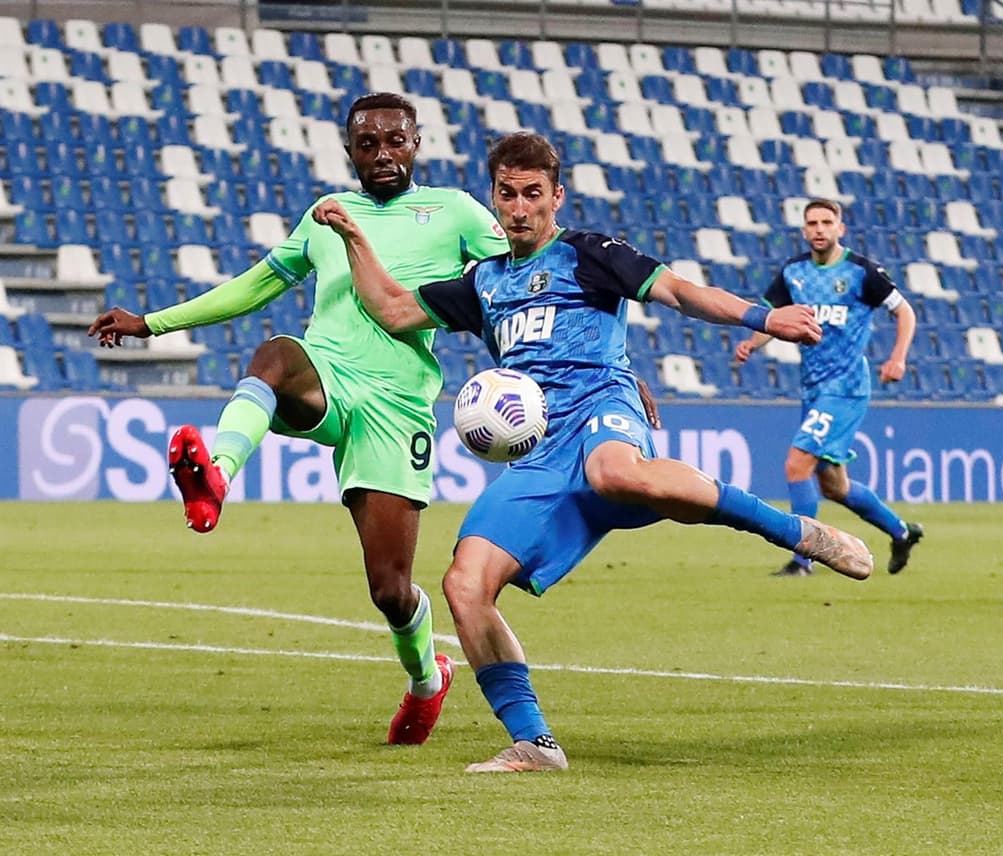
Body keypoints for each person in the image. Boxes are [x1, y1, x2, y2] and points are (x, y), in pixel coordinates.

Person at [312, 131, 873, 773]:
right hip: (539, 450)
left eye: (532, 194)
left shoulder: (590, 252)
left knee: (613, 472)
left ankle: (795, 530)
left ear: (557, 196)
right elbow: (390, 309)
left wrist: (762, 318)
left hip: (603, 408)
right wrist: (354, 237)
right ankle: (533, 741)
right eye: (506, 194)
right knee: (465, 585)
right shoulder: (484, 281)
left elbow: (681, 292)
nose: (519, 208)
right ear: (493, 198)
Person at [87, 92, 512, 744]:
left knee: (392, 591)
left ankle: (428, 680)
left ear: (416, 142)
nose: (382, 155)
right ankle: (217, 478)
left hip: (397, 407)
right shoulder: (324, 217)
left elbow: (516, 274)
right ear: (350, 153)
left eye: (394, 141)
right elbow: (256, 285)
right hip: (329, 375)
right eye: (367, 145)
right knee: (276, 355)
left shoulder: (454, 211)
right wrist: (153, 322)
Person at [734, 199, 924, 577]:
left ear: (841, 228)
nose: (819, 229)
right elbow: (773, 317)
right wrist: (751, 344)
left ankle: (803, 560)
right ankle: (902, 532)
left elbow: (904, 311)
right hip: (813, 389)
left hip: (846, 387)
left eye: (826, 222)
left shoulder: (861, 272)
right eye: (812, 223)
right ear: (804, 231)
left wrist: (898, 357)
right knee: (834, 486)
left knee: (796, 464)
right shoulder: (794, 273)